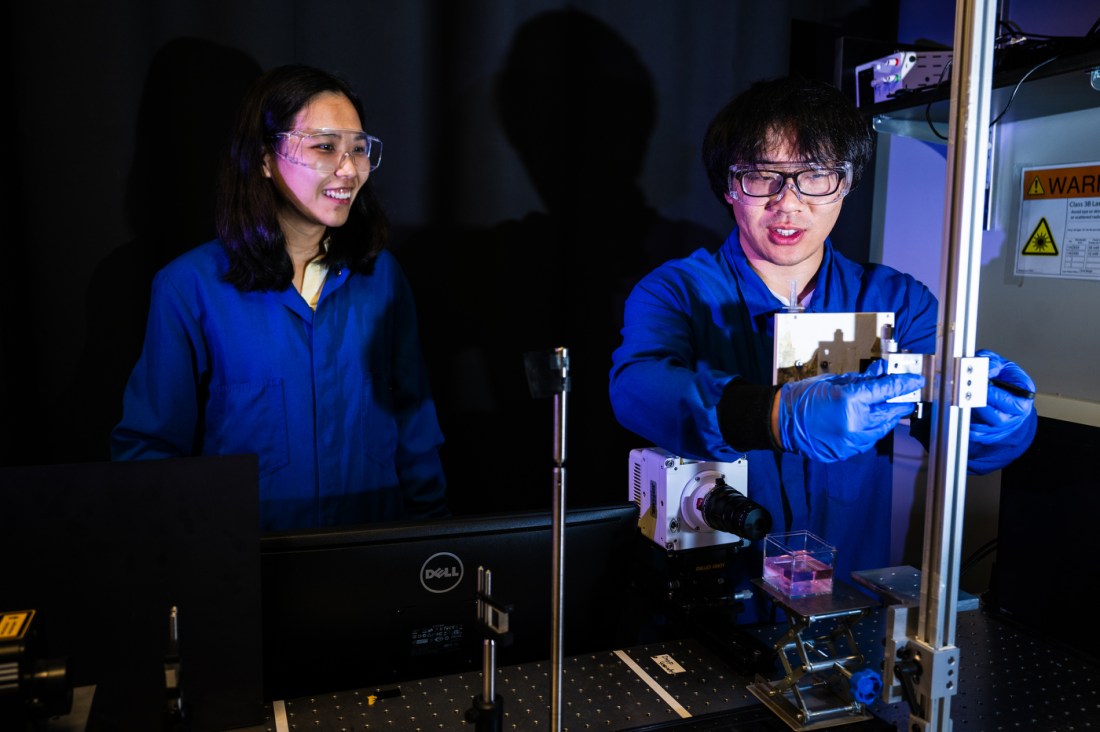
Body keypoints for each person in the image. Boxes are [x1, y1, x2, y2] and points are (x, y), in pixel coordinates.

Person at [609, 75, 1037, 619]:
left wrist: (994, 424)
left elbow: (961, 442)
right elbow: (636, 388)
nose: (789, 204)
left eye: (815, 176)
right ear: (728, 186)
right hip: (713, 605)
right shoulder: (677, 290)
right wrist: (774, 414)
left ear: (846, 184)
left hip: (849, 598)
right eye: (763, 176)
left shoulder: (896, 300)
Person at [112, 64, 448, 532]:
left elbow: (415, 430)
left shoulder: (381, 277)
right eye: (326, 147)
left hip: (373, 560)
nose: (348, 169)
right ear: (266, 159)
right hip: (248, 570)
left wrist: (429, 546)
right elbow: (149, 450)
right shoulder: (190, 288)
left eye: (358, 149)